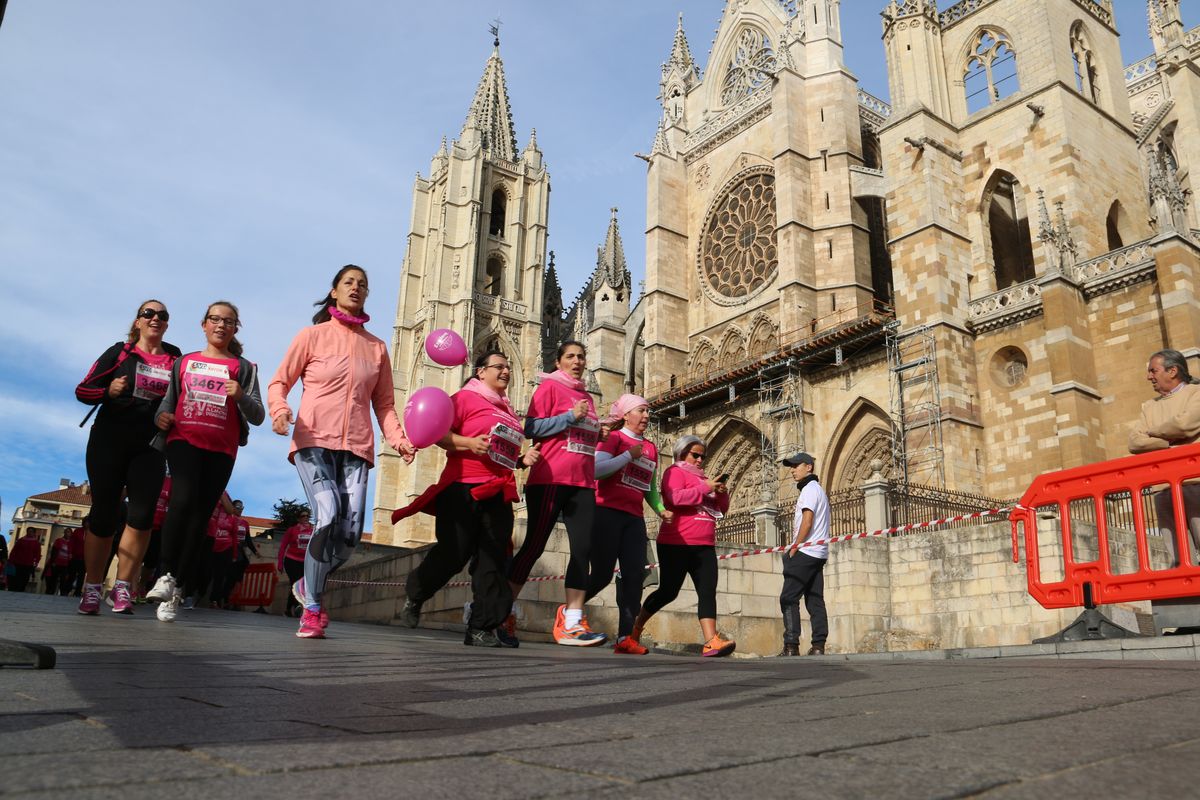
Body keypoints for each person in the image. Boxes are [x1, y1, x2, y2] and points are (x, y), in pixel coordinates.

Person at [267, 264, 416, 638]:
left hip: (357, 448)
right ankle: (313, 608)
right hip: (313, 440)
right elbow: (279, 381)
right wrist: (280, 410)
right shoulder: (312, 335)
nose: (356, 288)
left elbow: (384, 405)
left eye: (363, 284)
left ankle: (306, 585)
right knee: (328, 514)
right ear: (334, 291)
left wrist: (399, 440)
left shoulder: (377, 347)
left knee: (348, 538)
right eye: (349, 282)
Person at [396, 350, 542, 647]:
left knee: (494, 561)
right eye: (498, 367)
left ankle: (481, 627)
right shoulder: (463, 399)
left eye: (508, 367)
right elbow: (436, 433)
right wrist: (467, 442)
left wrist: (522, 460)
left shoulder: (510, 412)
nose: (505, 371)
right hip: (462, 486)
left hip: (498, 491)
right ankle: (416, 594)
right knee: (454, 553)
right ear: (481, 372)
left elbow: (502, 452)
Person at [147, 301, 265, 622]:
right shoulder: (185, 362)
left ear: (235, 328)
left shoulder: (244, 368)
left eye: (228, 321)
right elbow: (167, 404)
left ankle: (178, 589)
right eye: (215, 319)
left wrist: (240, 394)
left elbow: (258, 416)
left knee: (200, 519)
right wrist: (162, 417)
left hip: (222, 449)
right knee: (181, 502)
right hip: (184, 441)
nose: (221, 325)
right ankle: (166, 575)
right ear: (204, 324)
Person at [75, 299, 182, 614]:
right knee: (105, 513)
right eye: (148, 313)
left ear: (166, 323)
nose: (155, 318)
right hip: (109, 440)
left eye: (162, 315)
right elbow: (83, 390)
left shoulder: (176, 358)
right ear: (137, 322)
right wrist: (107, 390)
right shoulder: (120, 352)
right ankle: (92, 587)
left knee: (142, 515)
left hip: (149, 445)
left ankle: (123, 587)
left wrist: (170, 416)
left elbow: (182, 400)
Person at [507, 340, 605, 646]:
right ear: (559, 361)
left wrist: (599, 431)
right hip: (549, 478)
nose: (577, 361)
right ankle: (502, 609)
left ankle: (572, 621)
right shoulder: (548, 387)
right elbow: (531, 427)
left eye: (581, 357)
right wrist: (570, 418)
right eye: (571, 356)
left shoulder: (587, 397)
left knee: (583, 549)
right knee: (533, 546)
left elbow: (581, 436)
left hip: (583, 482)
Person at [628, 435, 735, 657]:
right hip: (677, 542)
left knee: (707, 591)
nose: (699, 460)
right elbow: (675, 498)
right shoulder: (674, 472)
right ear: (682, 452)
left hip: (704, 544)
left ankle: (711, 641)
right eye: (695, 454)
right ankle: (635, 629)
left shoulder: (704, 478)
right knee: (668, 592)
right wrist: (705, 487)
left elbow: (720, 509)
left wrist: (722, 494)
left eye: (702, 456)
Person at [585, 394, 670, 655]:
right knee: (600, 574)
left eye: (647, 411)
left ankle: (625, 637)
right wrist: (626, 457)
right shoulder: (613, 438)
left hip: (634, 517)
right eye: (641, 411)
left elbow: (649, 486)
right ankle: (570, 610)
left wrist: (660, 509)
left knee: (634, 575)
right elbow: (596, 470)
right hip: (606, 511)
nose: (646, 416)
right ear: (625, 415)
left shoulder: (651, 448)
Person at [1129, 348, 1200, 567]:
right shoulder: (1148, 406)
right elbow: (1134, 442)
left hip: (1194, 481)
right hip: (1162, 486)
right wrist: (1170, 441)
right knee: (1178, 554)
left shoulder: (1196, 393)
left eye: (1153, 370)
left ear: (1172, 371)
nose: (1149, 376)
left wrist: (1151, 433)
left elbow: (1185, 424)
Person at [778, 452, 831, 656]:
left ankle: (791, 645)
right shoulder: (818, 490)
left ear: (808, 467)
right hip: (818, 553)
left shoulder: (809, 490)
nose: (792, 470)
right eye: (791, 467)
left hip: (806, 551)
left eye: (796, 466)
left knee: (788, 597)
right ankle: (818, 645)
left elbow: (807, 521)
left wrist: (794, 547)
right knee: (814, 598)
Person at [276, 509, 312, 617]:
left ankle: (287, 609)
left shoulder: (313, 530)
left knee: (299, 585)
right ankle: (298, 606)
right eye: (303, 516)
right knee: (296, 583)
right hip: (291, 560)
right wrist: (280, 563)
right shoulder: (292, 530)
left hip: (305, 562)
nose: (305, 517)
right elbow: (283, 547)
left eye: (307, 516)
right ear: (298, 519)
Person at [66, 522, 87, 597]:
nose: (87, 524)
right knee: (72, 575)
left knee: (81, 577)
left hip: (85, 559)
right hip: (75, 557)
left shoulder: (91, 533)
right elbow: (72, 542)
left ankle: (78, 592)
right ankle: (67, 590)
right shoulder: (77, 531)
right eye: (86, 522)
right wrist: (70, 553)